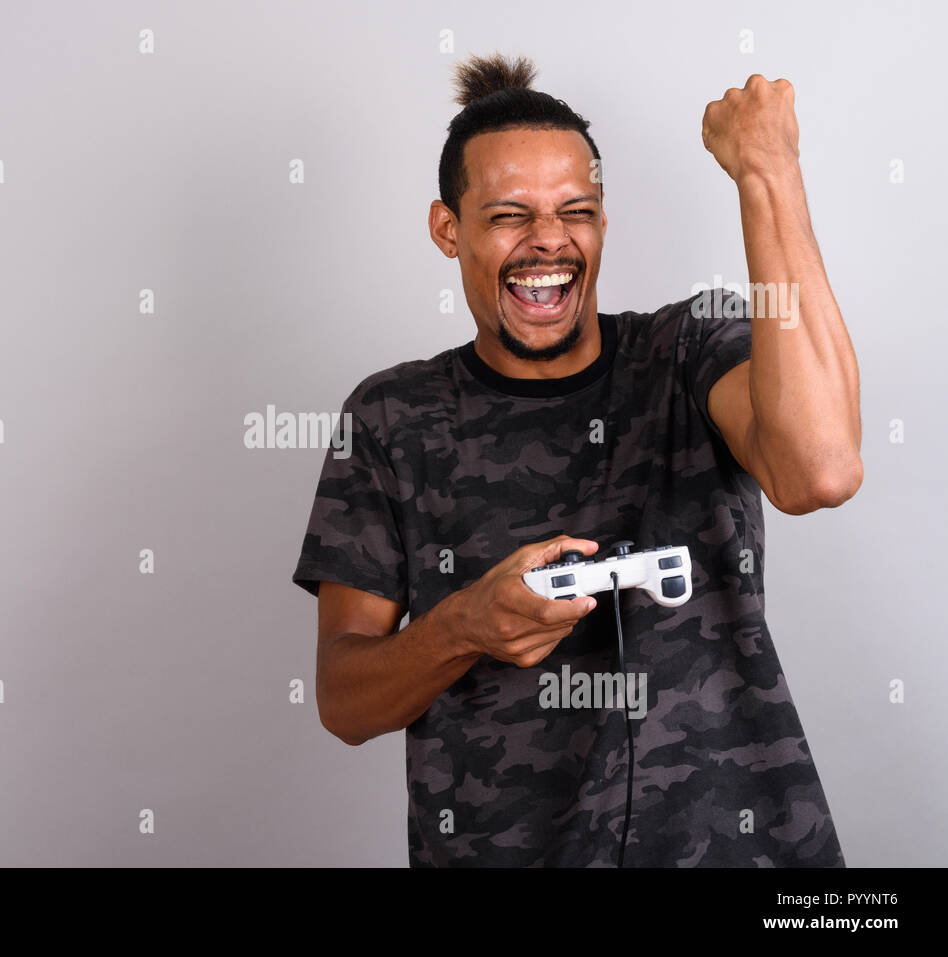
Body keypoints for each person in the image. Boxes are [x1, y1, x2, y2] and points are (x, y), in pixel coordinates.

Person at [291, 53, 861, 866]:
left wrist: (769, 171)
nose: (548, 241)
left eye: (576, 211)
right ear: (447, 228)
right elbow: (345, 701)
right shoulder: (390, 417)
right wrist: (463, 626)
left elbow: (823, 469)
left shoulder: (689, 348)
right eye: (508, 216)